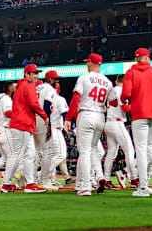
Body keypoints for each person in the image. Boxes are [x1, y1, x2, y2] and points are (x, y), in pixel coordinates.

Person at [120, 48, 152, 197]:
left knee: (141, 150)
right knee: (150, 146)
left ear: (136, 59)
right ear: (148, 58)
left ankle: (143, 187)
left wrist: (125, 101)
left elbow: (126, 94)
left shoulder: (131, 72)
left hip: (139, 114)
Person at [65, 53, 115, 196]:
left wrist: (68, 118)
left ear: (90, 63)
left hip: (86, 114)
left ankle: (85, 186)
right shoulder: (107, 81)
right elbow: (114, 102)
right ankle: (99, 176)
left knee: (85, 151)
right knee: (93, 149)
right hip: (100, 116)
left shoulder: (84, 78)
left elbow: (75, 99)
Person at [0, 64, 48, 193]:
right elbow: (34, 103)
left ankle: (30, 183)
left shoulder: (20, 86)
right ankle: (6, 183)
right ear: (26, 74)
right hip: (22, 124)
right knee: (17, 155)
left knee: (30, 155)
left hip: (22, 124)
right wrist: (44, 115)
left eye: (37, 74)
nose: (36, 76)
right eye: (33, 73)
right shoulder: (29, 85)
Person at [103, 74, 138, 189]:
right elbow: (125, 108)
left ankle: (107, 179)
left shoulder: (111, 90)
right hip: (117, 123)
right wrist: (136, 104)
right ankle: (133, 178)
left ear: (116, 81)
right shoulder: (122, 91)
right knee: (130, 150)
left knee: (111, 153)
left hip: (108, 122)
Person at [37, 70, 62, 190]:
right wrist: (49, 123)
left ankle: (28, 180)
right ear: (50, 80)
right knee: (48, 151)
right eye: (55, 79)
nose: (57, 82)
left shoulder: (38, 87)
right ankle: (42, 180)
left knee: (36, 152)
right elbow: (46, 105)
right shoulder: (50, 89)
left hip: (33, 120)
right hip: (42, 120)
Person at [43, 76, 69, 190]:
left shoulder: (50, 99)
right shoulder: (60, 99)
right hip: (56, 129)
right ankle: (44, 176)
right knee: (61, 155)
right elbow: (64, 114)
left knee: (53, 155)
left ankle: (52, 180)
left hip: (51, 128)